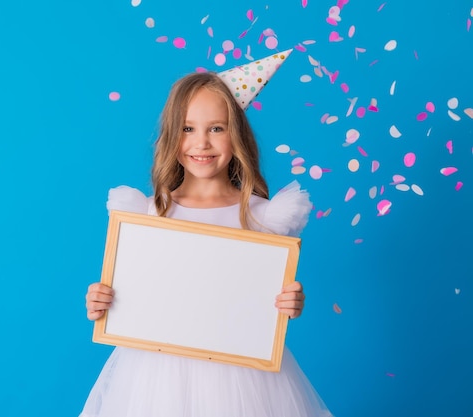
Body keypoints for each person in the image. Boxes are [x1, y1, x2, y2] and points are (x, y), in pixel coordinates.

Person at [81, 52, 334, 417]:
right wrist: (105, 301)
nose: (202, 143)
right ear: (172, 135)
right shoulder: (148, 213)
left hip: (245, 381)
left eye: (216, 128)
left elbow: (261, 303)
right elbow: (139, 292)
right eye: (188, 128)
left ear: (236, 136)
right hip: (156, 378)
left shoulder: (262, 218)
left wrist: (286, 305)